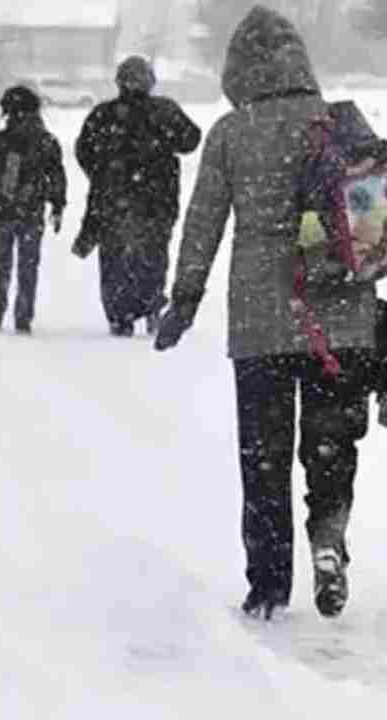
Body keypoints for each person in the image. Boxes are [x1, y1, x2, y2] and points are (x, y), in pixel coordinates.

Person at [155, 6, 374, 620]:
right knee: (331, 447)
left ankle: (269, 585)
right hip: (344, 320)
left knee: (265, 459)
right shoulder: (339, 126)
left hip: (263, 323)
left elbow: (202, 224)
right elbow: (372, 225)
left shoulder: (232, 132)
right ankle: (328, 537)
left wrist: (185, 298)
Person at [74, 56, 202, 337]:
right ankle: (151, 303)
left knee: (114, 260)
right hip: (157, 202)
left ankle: (120, 315)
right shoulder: (164, 110)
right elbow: (191, 140)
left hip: (112, 203)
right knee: (153, 256)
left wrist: (103, 174)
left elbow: (83, 151)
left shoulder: (103, 115)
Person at [0, 86, 67, 335]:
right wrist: (57, 204)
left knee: (1, 262)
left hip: (3, 211)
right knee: (28, 265)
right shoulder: (46, 142)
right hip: (32, 212)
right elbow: (57, 176)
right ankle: (23, 315)